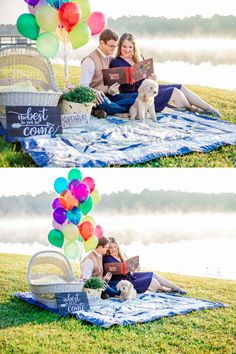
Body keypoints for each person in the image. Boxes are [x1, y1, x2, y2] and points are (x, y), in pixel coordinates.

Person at [110, 32, 221, 116]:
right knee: (174, 92)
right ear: (120, 47)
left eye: (130, 47)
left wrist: (152, 78)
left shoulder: (138, 58)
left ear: (134, 47)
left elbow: (148, 78)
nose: (127, 50)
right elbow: (120, 86)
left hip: (148, 87)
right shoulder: (116, 62)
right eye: (124, 46)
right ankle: (194, 109)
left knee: (180, 86)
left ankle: (210, 108)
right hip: (137, 94)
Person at [79, 29, 138, 118]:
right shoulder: (89, 61)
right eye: (111, 46)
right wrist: (95, 92)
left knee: (137, 96)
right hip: (96, 99)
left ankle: (104, 110)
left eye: (115, 46)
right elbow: (82, 86)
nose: (114, 49)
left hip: (109, 97)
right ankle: (127, 111)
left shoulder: (110, 58)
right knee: (108, 105)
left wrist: (110, 91)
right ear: (102, 43)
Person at [103, 237, 187, 295]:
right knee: (153, 281)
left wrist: (135, 267)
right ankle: (165, 289)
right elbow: (111, 270)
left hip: (131, 276)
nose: (113, 249)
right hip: (124, 281)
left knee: (152, 274)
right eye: (110, 247)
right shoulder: (107, 258)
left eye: (115, 247)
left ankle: (176, 288)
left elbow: (128, 266)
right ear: (107, 249)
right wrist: (124, 270)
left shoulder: (122, 255)